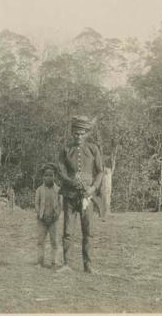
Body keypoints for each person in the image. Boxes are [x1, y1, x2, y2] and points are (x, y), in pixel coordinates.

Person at [56, 116, 104, 274]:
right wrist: (71, 181)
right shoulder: (66, 150)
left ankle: (88, 265)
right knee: (68, 231)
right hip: (70, 195)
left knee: (88, 231)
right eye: (76, 133)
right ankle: (66, 264)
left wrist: (93, 188)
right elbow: (60, 171)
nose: (79, 136)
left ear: (87, 134)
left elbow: (100, 172)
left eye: (82, 133)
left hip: (87, 197)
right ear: (72, 133)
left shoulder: (93, 149)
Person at [35, 163, 63, 268]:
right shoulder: (39, 190)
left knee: (54, 242)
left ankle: (54, 262)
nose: (49, 178)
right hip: (42, 220)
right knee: (40, 241)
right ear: (43, 176)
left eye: (51, 175)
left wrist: (56, 216)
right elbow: (36, 204)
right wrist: (40, 215)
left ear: (55, 176)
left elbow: (60, 205)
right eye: (46, 175)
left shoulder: (59, 190)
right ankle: (39, 262)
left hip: (53, 220)